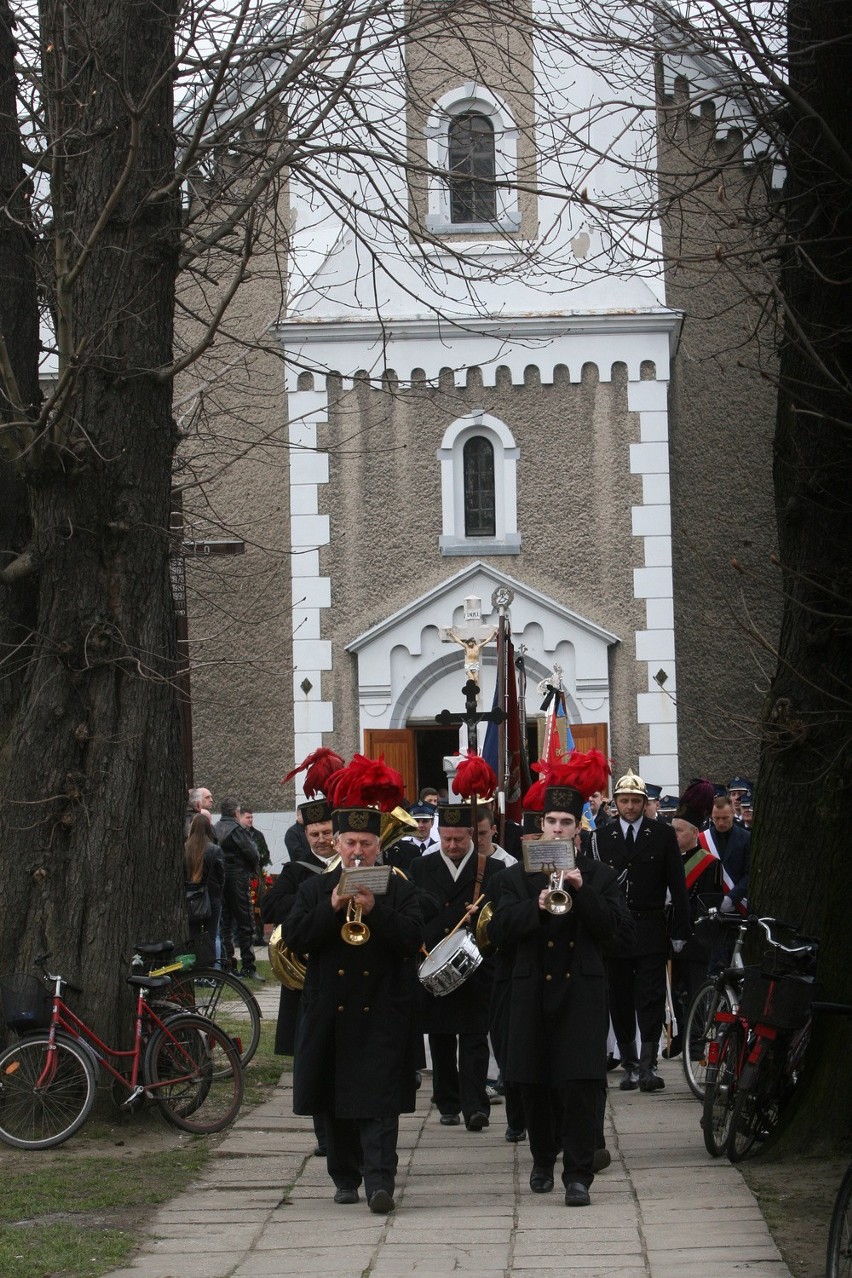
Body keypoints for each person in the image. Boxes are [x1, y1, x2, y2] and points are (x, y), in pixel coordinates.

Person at [489, 755, 635, 1207]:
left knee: (578, 1085)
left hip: (580, 994)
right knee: (531, 1083)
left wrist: (580, 890)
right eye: (550, 821)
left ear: (578, 828)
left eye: (566, 822)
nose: (557, 829)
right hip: (530, 991)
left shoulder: (600, 876)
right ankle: (541, 1156)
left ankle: (577, 1175)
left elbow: (618, 931)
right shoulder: (513, 877)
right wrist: (535, 903)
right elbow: (497, 932)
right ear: (540, 826)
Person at [281, 778, 425, 1215]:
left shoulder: (399, 888)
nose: (358, 851)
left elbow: (413, 938)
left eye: (366, 842)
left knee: (380, 1102)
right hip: (331, 1011)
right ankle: (345, 1177)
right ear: (337, 846)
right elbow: (298, 939)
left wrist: (375, 910)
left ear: (377, 847)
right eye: (350, 843)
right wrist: (333, 906)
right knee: (336, 1098)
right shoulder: (312, 891)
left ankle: (380, 1181)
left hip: (382, 1008)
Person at [410, 793, 506, 1132]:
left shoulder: (491, 869)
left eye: (458, 838)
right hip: (435, 959)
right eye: (446, 838)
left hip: (475, 964)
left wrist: (480, 914)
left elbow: (501, 915)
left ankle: (475, 1105)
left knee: (475, 1037)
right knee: (440, 1036)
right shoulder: (421, 867)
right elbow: (412, 911)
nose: (451, 845)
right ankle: (447, 1101)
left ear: (471, 835)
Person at [594, 769, 691, 1093]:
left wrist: (680, 929)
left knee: (650, 998)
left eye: (636, 801)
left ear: (644, 802)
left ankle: (650, 1065)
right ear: (616, 802)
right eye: (625, 800)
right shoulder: (601, 837)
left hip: (650, 927)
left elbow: (677, 884)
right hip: (616, 931)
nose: (631, 806)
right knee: (618, 998)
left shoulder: (661, 834)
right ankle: (630, 1065)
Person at [262, 797, 339, 1155]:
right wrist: (315, 902)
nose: (322, 839)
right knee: (312, 1059)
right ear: (305, 835)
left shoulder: (352, 865)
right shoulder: (295, 871)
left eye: (327, 832)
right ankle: (324, 1136)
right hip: (306, 977)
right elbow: (272, 906)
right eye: (315, 833)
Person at [667, 780, 723, 1059]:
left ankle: (696, 1043)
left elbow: (708, 906)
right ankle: (678, 1036)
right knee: (673, 992)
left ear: (694, 833)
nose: (673, 835)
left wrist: (690, 933)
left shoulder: (709, 863)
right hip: (669, 936)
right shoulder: (666, 859)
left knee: (695, 993)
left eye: (678, 831)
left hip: (696, 940)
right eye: (672, 830)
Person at [214, 797, 263, 982]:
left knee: (225, 922)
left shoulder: (215, 828)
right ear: (236, 813)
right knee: (245, 921)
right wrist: (251, 869)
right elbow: (252, 854)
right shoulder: (238, 830)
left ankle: (228, 964)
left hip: (220, 878)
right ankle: (248, 966)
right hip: (237, 877)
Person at [184, 812, 225, 966]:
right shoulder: (214, 849)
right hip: (211, 896)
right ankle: (212, 970)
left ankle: (194, 970)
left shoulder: (185, 849)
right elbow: (221, 876)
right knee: (212, 935)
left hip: (190, 897)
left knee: (193, 934)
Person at [707, 794, 750, 912]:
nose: (720, 823)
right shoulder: (704, 839)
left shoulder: (746, 838)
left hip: (738, 903)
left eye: (725, 818)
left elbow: (749, 874)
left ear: (732, 814)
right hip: (709, 903)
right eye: (717, 818)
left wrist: (732, 897)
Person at [240, 807, 272, 942]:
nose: (250, 820)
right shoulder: (238, 834)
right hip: (243, 874)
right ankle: (243, 936)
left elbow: (266, 854)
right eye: (247, 817)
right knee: (244, 906)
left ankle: (259, 935)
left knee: (259, 905)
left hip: (257, 875)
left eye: (251, 817)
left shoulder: (257, 835)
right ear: (240, 817)